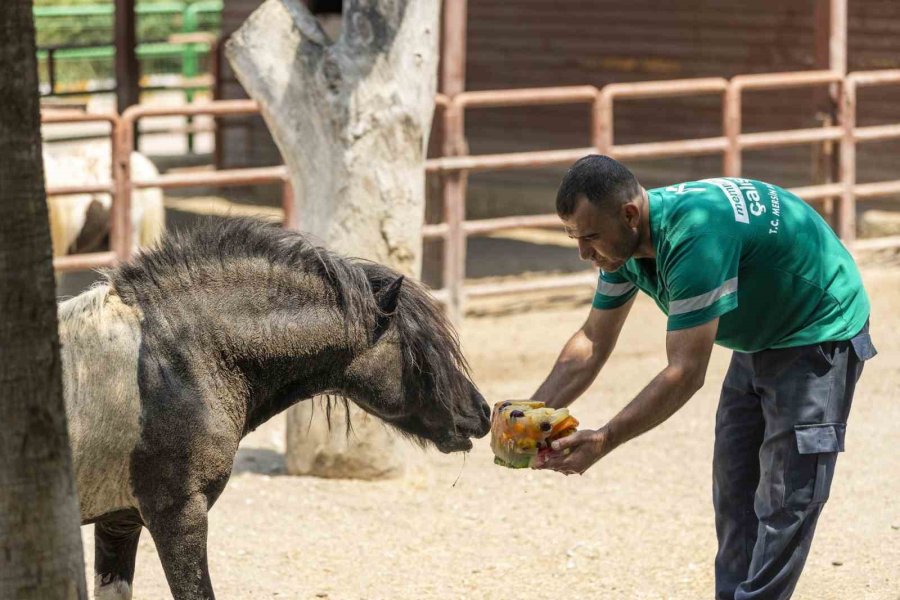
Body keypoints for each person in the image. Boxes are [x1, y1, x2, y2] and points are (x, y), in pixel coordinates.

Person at [530, 155, 877, 600]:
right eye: (575, 238)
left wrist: (605, 439)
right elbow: (593, 342)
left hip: (817, 330)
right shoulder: (623, 248)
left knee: (786, 497)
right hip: (758, 334)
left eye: (590, 237)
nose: (584, 253)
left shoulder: (694, 239)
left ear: (630, 214)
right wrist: (530, 411)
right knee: (735, 490)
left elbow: (685, 372)